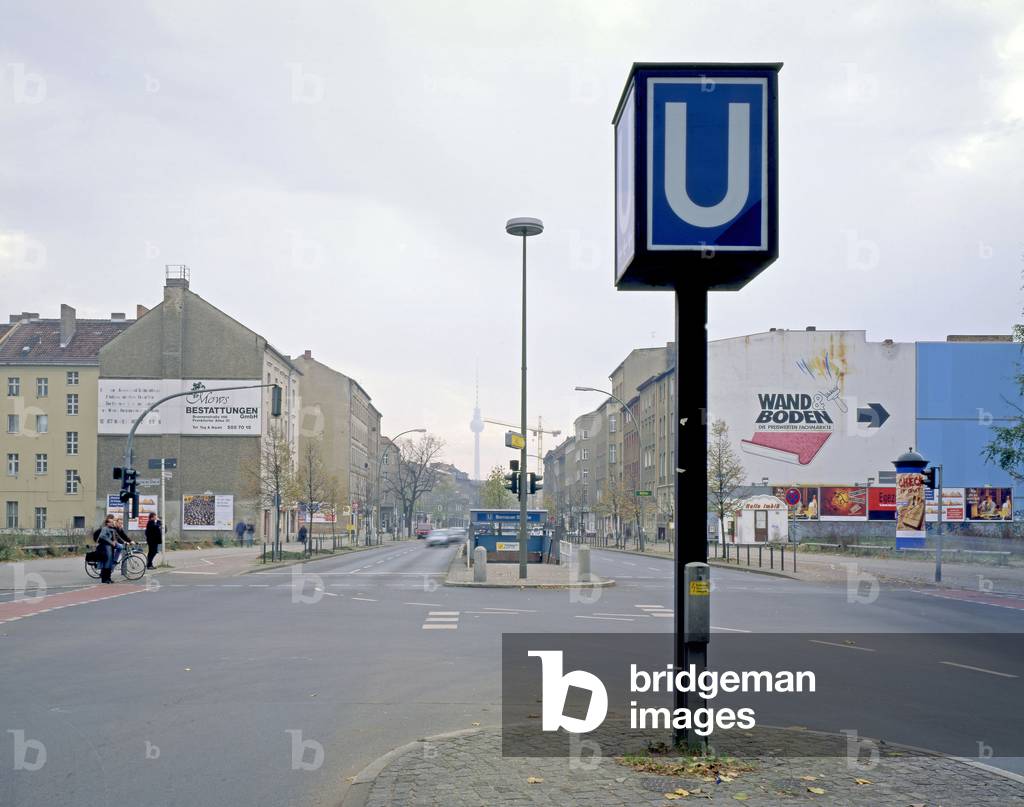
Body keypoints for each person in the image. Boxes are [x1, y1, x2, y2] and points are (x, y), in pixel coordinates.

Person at [95, 516, 118, 584]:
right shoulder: (105, 528)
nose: (111, 523)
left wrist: (115, 541)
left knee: (110, 562)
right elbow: (102, 536)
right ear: (107, 523)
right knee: (107, 562)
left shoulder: (112, 529)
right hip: (106, 546)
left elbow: (114, 538)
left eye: (112, 522)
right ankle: (105, 579)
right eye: (110, 522)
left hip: (111, 547)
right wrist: (111, 542)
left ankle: (108, 578)